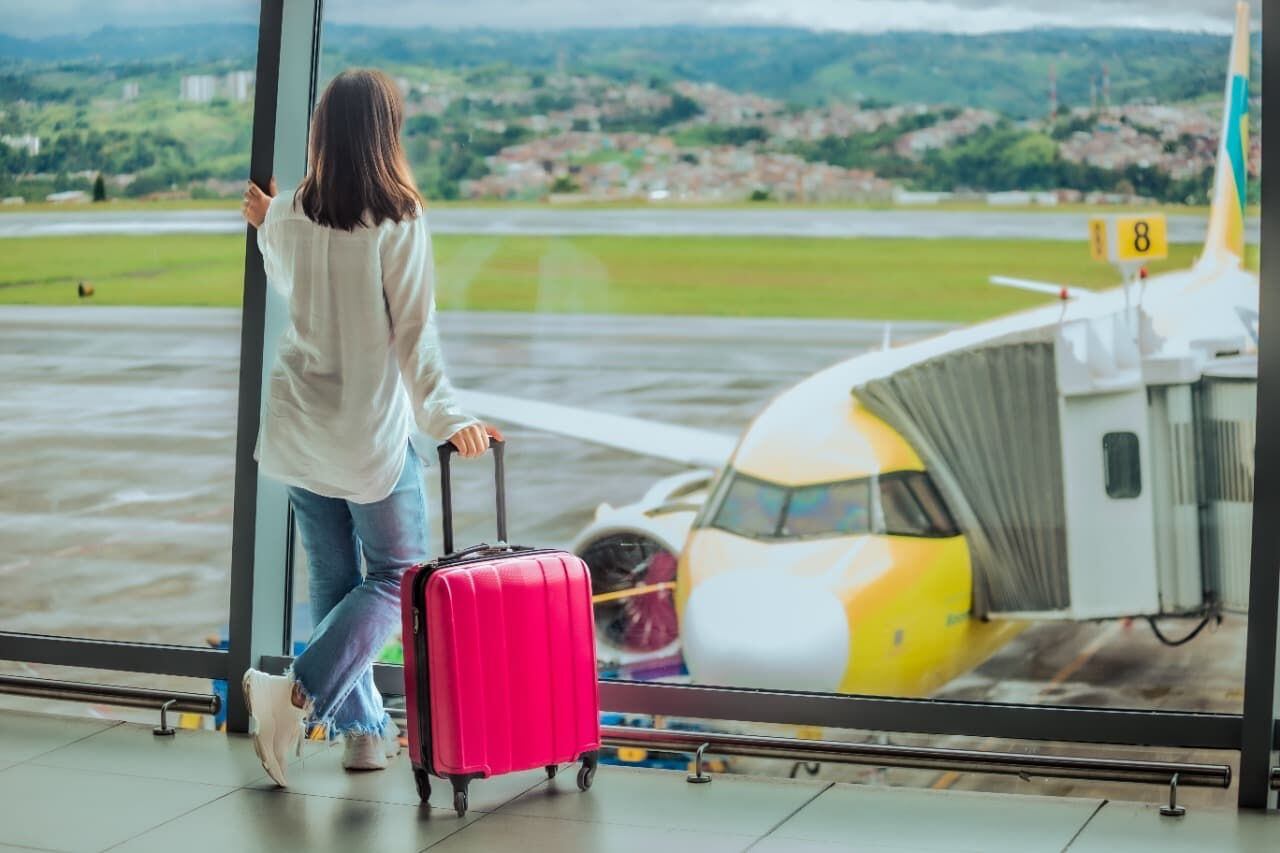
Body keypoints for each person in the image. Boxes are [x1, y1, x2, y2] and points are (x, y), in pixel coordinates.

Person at [238, 68, 501, 787]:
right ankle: (296, 689)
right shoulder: (398, 217)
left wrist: (265, 223)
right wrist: (451, 417)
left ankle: (363, 733)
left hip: (296, 424)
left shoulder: (293, 208)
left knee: (336, 580)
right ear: (387, 132)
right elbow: (417, 337)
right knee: (398, 575)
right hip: (361, 435)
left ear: (323, 130)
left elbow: (286, 277)